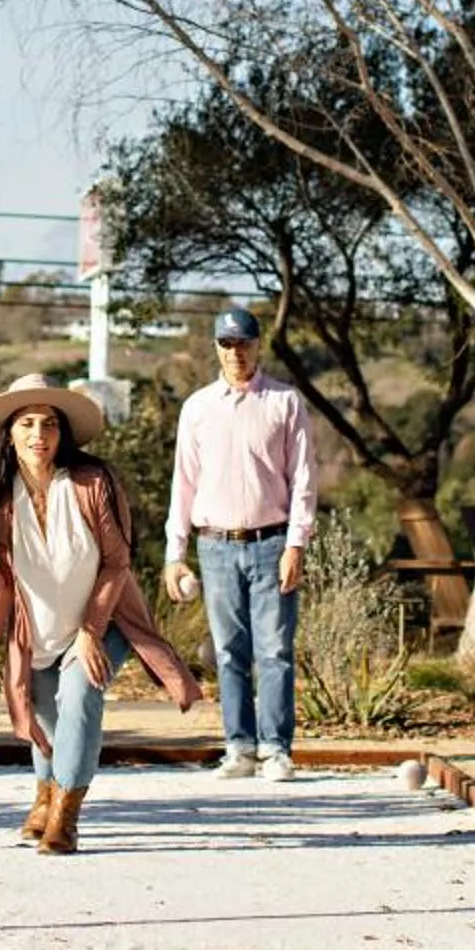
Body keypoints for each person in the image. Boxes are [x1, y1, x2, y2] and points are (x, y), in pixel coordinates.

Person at [0, 372, 202, 853]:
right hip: (38, 628)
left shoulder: (92, 482)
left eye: (48, 424)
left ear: (62, 432)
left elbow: (116, 562)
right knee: (45, 719)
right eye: (26, 423)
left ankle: (65, 815)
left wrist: (91, 632)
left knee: (81, 692)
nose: (38, 435)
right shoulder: (0, 503)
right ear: (10, 434)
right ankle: (44, 795)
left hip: (104, 621)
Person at [163, 305, 316, 782]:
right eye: (226, 344)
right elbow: (183, 483)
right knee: (228, 650)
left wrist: (297, 544)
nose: (236, 352)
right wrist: (175, 553)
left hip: (271, 541)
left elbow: (304, 479)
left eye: (243, 343)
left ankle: (275, 749)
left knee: (274, 649)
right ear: (216, 348)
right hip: (216, 545)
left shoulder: (286, 402)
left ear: (257, 345)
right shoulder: (198, 407)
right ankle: (239, 748)